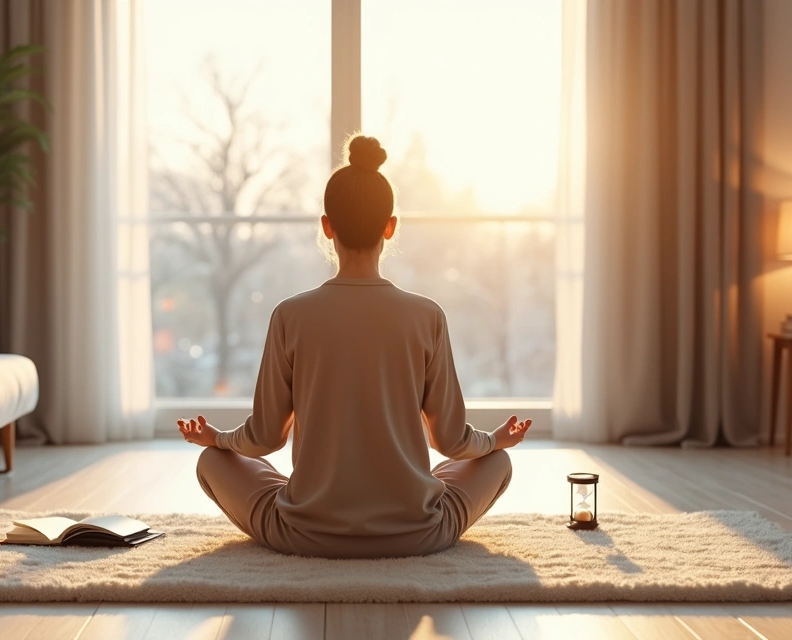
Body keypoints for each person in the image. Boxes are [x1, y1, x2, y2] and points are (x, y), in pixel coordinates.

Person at [177, 135, 531, 559]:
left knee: (212, 463)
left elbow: (264, 437)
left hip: (305, 532)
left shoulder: (291, 315)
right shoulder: (427, 316)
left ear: (327, 227)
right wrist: (494, 441)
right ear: (391, 226)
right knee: (497, 463)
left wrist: (218, 439)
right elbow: (452, 442)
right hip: (418, 532)